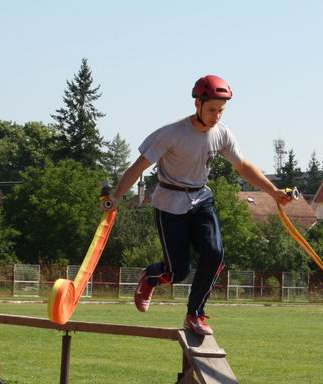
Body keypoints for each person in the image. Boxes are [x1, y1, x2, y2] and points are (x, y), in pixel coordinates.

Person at [107, 75, 291, 336]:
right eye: (212, 110)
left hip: (201, 199)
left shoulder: (222, 134)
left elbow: (243, 166)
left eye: (221, 110)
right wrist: (117, 197)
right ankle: (151, 277)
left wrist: (273, 191)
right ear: (198, 104)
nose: (217, 116)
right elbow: (138, 167)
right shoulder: (172, 134)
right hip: (170, 203)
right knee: (178, 272)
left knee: (215, 254)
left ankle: (195, 314)